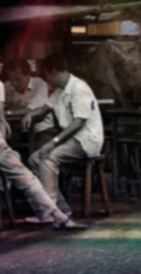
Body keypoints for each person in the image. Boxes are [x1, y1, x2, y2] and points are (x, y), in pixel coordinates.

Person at [0, 44, 81, 229]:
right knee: (27, 178)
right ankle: (60, 217)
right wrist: (1, 137)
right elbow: (0, 119)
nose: (1, 65)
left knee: (17, 159)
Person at [30, 53, 104, 223]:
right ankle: (61, 209)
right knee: (35, 159)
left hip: (86, 141)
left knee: (48, 158)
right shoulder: (59, 91)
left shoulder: (79, 88)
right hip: (72, 140)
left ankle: (48, 212)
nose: (45, 79)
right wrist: (29, 114)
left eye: (45, 75)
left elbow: (78, 122)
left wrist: (54, 141)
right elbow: (44, 109)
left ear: (53, 72)